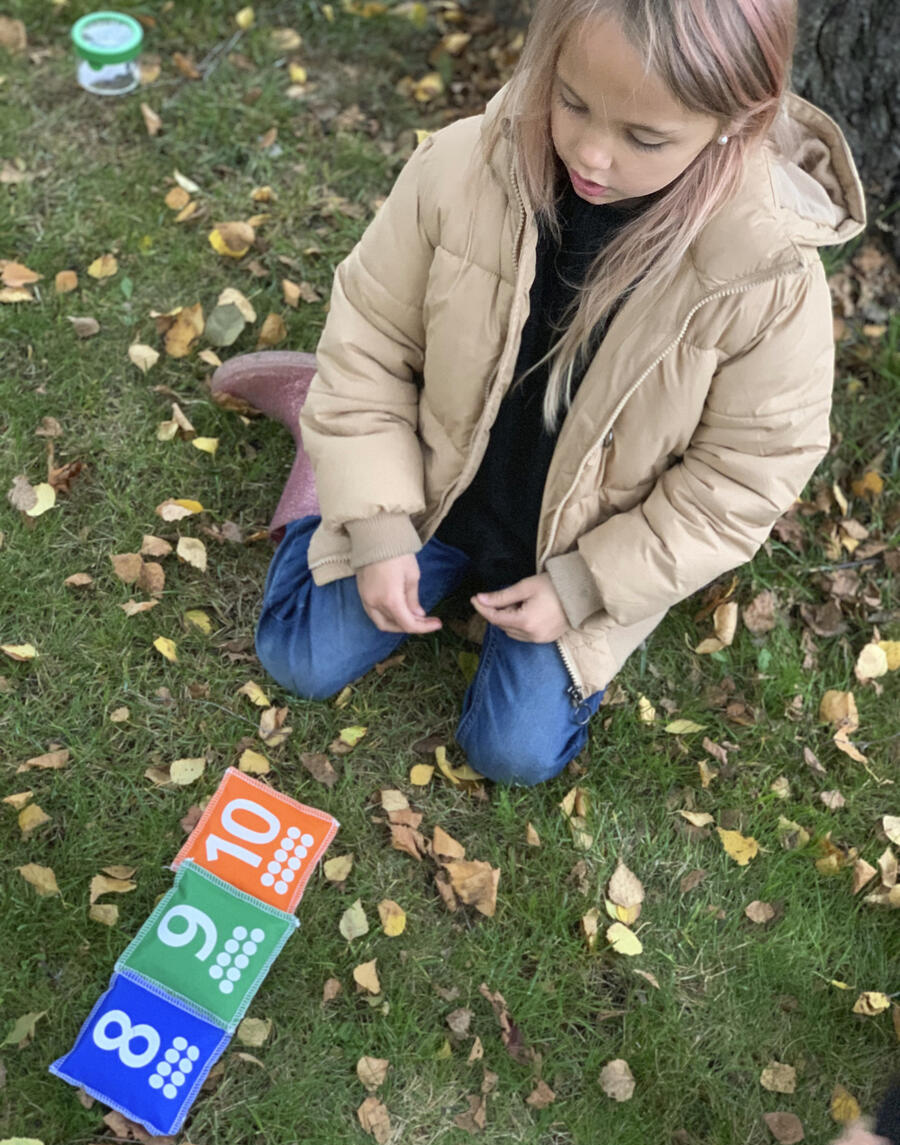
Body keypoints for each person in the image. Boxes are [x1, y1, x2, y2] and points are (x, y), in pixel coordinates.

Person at [215, 0, 866, 786]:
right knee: (298, 657)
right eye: (572, 101)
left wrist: (586, 584)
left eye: (645, 138)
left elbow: (742, 479)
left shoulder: (766, 281)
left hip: (583, 544)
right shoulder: (462, 165)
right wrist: (379, 525)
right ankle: (327, 449)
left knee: (514, 754)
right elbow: (372, 337)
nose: (592, 153)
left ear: (737, 123)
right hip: (432, 482)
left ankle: (345, 443)